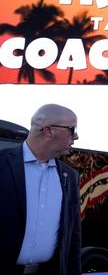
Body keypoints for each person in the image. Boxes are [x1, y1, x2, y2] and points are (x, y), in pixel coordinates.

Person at [0, 104, 81, 275]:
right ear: (49, 130)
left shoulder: (69, 177)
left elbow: (72, 237)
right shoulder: (3, 164)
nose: (76, 136)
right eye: (72, 129)